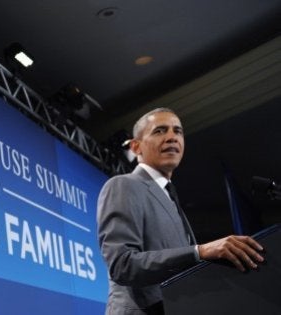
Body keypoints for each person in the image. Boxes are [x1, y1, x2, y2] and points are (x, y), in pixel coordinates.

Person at [97, 107, 265, 314]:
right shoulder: (123, 185)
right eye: (160, 131)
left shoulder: (170, 197)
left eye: (178, 131)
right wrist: (200, 251)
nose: (171, 137)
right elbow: (122, 265)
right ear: (136, 146)